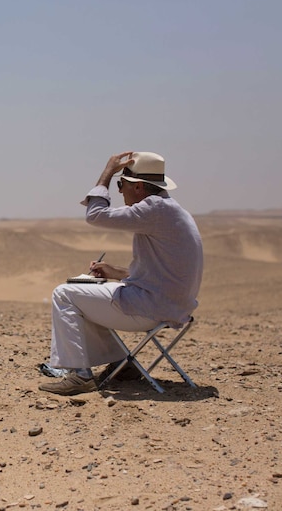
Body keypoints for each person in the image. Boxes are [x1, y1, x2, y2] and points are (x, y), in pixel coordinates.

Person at [39, 151, 203, 396]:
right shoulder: (173, 211)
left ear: (138, 187)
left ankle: (79, 376)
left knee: (64, 294)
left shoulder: (153, 209)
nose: (119, 191)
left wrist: (107, 173)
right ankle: (122, 365)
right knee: (90, 293)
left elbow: (95, 215)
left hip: (153, 308)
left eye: (121, 184)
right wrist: (115, 272)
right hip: (172, 305)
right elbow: (163, 274)